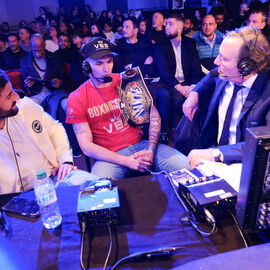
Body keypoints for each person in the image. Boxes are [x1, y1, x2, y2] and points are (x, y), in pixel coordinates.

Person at [66, 37, 189, 180]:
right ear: (86, 66)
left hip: (141, 146)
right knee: (99, 191)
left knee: (186, 167)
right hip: (109, 157)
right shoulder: (77, 97)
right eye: (99, 64)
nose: (106, 69)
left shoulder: (127, 80)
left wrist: (151, 149)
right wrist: (126, 161)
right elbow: (86, 146)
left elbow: (154, 115)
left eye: (109, 62)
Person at [182, 27, 270, 169]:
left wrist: (217, 153)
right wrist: (195, 93)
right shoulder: (225, 74)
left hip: (246, 167)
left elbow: (265, 143)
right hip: (211, 160)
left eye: (224, 58)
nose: (217, 62)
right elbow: (211, 75)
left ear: (246, 67)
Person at [0, 69, 99, 194]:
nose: (16, 96)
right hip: (15, 199)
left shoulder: (25, 106)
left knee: (99, 190)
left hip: (56, 178)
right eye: (9, 96)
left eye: (12, 90)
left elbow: (55, 129)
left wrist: (65, 161)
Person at [153, 13, 202, 144]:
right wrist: (181, 88)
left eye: (170, 24)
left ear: (180, 28)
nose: (166, 27)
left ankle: (192, 132)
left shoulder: (190, 43)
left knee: (199, 94)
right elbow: (164, 72)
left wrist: (192, 86)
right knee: (175, 97)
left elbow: (196, 67)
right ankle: (167, 130)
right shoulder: (160, 45)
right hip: (168, 83)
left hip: (187, 83)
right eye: (166, 24)